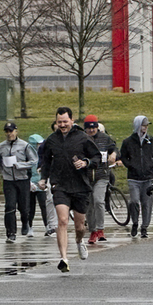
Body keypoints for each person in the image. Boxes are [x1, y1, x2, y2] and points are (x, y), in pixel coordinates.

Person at [37, 107, 100, 272]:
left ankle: (79, 242)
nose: (62, 125)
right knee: (63, 221)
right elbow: (46, 162)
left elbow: (97, 157)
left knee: (80, 227)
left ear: (72, 121)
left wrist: (86, 162)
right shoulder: (51, 140)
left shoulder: (83, 138)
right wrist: (43, 178)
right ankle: (64, 258)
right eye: (59, 122)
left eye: (65, 121)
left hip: (80, 186)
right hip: (60, 185)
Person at [0, 121, 35, 244]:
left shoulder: (24, 146)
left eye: (11, 131)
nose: (9, 134)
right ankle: (11, 232)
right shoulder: (1, 147)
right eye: (7, 131)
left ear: (16, 131)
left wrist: (20, 165)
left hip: (22, 179)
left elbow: (33, 160)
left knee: (24, 206)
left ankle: (25, 222)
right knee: (10, 206)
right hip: (8, 180)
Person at [119, 115, 153, 239]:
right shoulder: (128, 142)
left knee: (147, 203)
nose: (145, 128)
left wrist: (150, 164)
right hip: (134, 177)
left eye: (146, 126)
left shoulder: (151, 140)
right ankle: (135, 222)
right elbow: (123, 156)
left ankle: (145, 227)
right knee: (134, 201)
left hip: (147, 177)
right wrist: (131, 165)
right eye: (143, 125)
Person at [80, 116, 116, 244]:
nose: (91, 130)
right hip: (87, 176)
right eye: (88, 128)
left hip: (102, 175)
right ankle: (93, 230)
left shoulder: (104, 138)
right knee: (89, 204)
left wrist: (114, 154)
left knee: (98, 200)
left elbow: (114, 148)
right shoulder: (82, 139)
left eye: (93, 127)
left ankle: (100, 228)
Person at [26, 133, 56, 237]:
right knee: (30, 207)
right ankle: (29, 227)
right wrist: (28, 182)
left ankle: (48, 226)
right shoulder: (27, 154)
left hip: (41, 183)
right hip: (30, 183)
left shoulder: (44, 154)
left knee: (44, 205)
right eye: (38, 144)